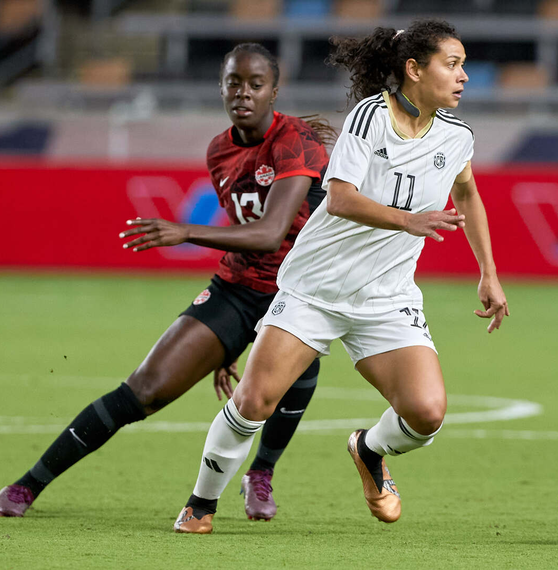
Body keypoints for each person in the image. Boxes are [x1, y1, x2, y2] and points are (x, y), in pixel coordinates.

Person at [173, 19, 509, 534]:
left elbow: (466, 193)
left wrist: (488, 272)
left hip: (386, 297)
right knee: (254, 401)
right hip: (316, 289)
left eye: (463, 65)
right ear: (414, 70)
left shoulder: (457, 135)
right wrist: (408, 220)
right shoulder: (369, 118)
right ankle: (201, 503)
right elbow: (340, 198)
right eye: (453, 64)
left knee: (426, 413)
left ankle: (369, 450)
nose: (464, 76)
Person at [0, 43, 333, 522]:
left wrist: (185, 230)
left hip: (299, 293)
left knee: (296, 371)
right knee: (145, 388)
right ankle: (28, 485)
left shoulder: (294, 141)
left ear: (275, 91)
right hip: (238, 288)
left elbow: (272, 232)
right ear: (221, 86)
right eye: (234, 82)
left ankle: (262, 473)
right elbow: (246, 235)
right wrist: (228, 342)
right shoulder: (219, 150)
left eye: (256, 84)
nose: (243, 93)